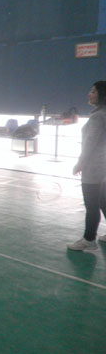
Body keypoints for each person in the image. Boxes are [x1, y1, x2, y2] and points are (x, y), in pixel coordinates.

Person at [68, 81, 106, 250]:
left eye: (93, 91)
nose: (89, 94)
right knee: (103, 200)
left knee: (92, 205)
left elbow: (90, 143)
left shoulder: (98, 117)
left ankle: (89, 240)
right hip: (103, 166)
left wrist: (80, 163)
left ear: (102, 95)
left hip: (94, 167)